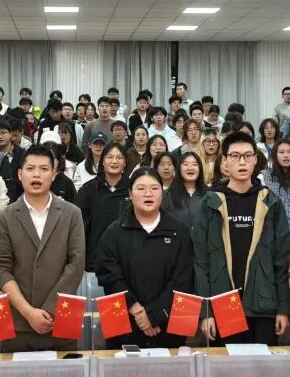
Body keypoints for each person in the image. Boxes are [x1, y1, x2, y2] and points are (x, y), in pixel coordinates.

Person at [194, 131, 290, 345]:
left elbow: (282, 259)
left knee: (262, 364)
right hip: (222, 303)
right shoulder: (210, 203)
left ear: (255, 160)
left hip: (264, 305)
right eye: (235, 156)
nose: (242, 162)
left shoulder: (271, 202)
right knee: (226, 363)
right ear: (225, 160)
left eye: (247, 156)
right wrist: (205, 311)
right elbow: (200, 261)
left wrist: (283, 308)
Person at [0, 145, 85, 352]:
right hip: (18, 323)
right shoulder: (4, 218)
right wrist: (28, 312)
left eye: (44, 169)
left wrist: (49, 310)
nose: (36, 175)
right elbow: (0, 268)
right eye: (30, 168)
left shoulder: (72, 214)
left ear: (54, 175)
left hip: (62, 320)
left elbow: (76, 266)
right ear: (20, 174)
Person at [93, 167, 194, 349]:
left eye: (154, 188)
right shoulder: (113, 233)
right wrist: (137, 310)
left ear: (162, 193)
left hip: (168, 323)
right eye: (141, 188)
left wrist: (154, 315)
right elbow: (109, 277)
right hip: (124, 324)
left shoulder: (179, 232)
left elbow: (183, 279)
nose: (148, 193)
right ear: (130, 194)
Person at [77, 143, 130, 271]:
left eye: (119, 157)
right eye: (109, 157)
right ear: (102, 161)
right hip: (95, 261)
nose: (114, 161)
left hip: (128, 261)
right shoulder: (88, 190)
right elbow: (81, 229)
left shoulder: (133, 189)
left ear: (125, 163)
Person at [164, 151, 207, 228]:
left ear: (200, 169)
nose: (190, 168)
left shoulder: (209, 194)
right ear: (179, 169)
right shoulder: (167, 195)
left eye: (194, 164)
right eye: (186, 164)